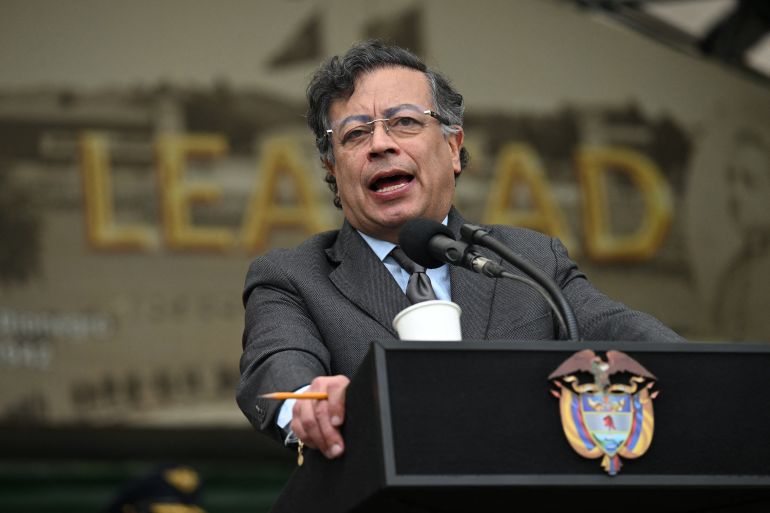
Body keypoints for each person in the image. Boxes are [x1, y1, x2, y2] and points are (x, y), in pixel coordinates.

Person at [236, 40, 684, 461]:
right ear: (332, 167)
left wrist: (705, 373)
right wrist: (309, 404)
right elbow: (277, 362)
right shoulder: (292, 276)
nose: (380, 144)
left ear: (453, 146)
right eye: (355, 134)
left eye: (405, 122)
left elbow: (620, 329)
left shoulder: (529, 257)